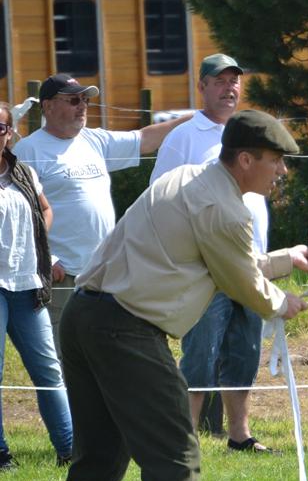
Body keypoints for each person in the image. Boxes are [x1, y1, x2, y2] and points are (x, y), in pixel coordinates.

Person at [47, 111, 308, 481]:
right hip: (126, 331)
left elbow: (228, 259)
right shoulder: (225, 210)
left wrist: (288, 259)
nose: (281, 172)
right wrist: (283, 303)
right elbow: (241, 280)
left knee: (99, 461)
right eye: (275, 161)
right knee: (175, 456)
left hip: (86, 318)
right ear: (245, 160)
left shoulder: (189, 179)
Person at [150, 54, 275, 454]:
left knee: (246, 351)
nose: (229, 88)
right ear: (201, 86)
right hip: (204, 269)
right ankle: (185, 437)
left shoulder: (251, 132)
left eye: (234, 81)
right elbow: (160, 199)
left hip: (253, 264)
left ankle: (239, 434)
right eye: (219, 81)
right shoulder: (183, 137)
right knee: (200, 354)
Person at [14, 74, 191, 347]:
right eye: (73, 100)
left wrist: (195, 119)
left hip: (105, 272)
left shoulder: (94, 140)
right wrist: (48, 259)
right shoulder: (28, 150)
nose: (82, 106)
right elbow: (18, 216)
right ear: (48, 107)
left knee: (103, 352)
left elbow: (144, 139)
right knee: (65, 355)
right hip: (63, 276)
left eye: (85, 100)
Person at [0, 101, 72, 470]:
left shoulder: (23, 172)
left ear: (9, 134)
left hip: (27, 283)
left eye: (0, 128)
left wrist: (39, 235)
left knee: (48, 371)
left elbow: (45, 208)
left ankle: (70, 451)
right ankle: (1, 455)